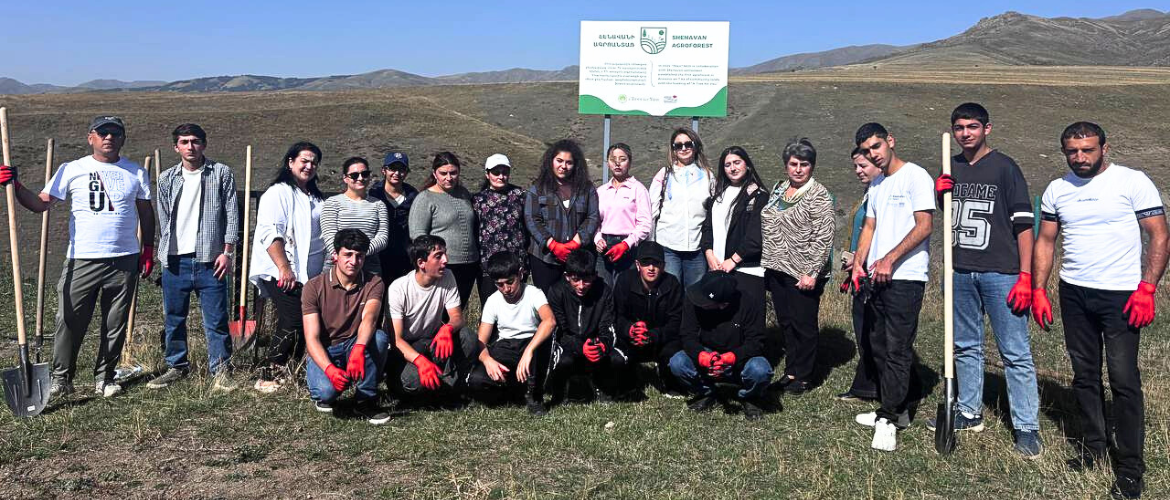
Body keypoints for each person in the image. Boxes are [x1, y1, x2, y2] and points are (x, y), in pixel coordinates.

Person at [1032, 122, 1168, 500]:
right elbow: (1045, 240)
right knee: (1085, 375)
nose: (1080, 158)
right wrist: (1039, 290)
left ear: (1105, 148)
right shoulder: (1058, 190)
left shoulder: (1131, 182)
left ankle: (1129, 468)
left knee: (1123, 380)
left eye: (1088, 150)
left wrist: (1147, 288)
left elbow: (1159, 234)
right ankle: (1093, 448)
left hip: (1121, 294)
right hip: (1075, 293)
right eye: (1072, 152)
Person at [0, 115, 154, 398]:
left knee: (115, 323)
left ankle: (105, 378)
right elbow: (40, 204)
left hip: (124, 259)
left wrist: (147, 250)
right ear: (90, 137)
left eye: (115, 133)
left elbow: (146, 213)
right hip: (82, 258)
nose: (109, 137)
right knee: (69, 320)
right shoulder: (72, 169)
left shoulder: (135, 173)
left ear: (123, 138)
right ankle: (61, 379)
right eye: (103, 132)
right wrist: (16, 186)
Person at [929, 103, 1043, 459]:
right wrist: (939, 194)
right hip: (959, 269)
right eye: (959, 127)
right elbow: (950, 217)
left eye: (972, 127)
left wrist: (1026, 277)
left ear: (987, 129)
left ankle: (1026, 427)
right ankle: (969, 410)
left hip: (1001, 272)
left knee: (1015, 352)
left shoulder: (1005, 168)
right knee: (965, 345)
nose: (965, 133)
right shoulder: (953, 167)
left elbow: (1025, 225)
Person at [848, 123, 933, 452]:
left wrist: (890, 259)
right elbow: (870, 224)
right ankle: (891, 407)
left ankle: (890, 417)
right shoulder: (878, 183)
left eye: (876, 147)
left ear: (890, 141)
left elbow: (924, 225)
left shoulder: (915, 176)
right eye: (867, 151)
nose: (873, 154)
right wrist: (859, 262)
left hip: (905, 277)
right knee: (878, 344)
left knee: (898, 347)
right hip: (875, 277)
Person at [147, 123, 239, 390]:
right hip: (176, 260)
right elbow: (164, 218)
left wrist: (227, 252)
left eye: (195, 141)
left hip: (211, 259)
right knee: (174, 317)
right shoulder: (166, 178)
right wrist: (165, 252)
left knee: (216, 320)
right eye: (184, 142)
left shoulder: (221, 173)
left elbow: (231, 215)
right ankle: (176, 366)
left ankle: (221, 371)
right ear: (176, 147)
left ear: (204, 145)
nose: (190, 146)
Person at [249, 142, 326, 393]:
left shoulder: (315, 198)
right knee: (292, 318)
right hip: (281, 270)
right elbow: (271, 232)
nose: (309, 166)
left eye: (314, 162)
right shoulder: (278, 192)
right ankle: (270, 371)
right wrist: (284, 267)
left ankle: (294, 369)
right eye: (304, 160)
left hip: (309, 273)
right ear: (290, 162)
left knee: (306, 321)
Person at [760, 139, 835, 395]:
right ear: (786, 166)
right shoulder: (779, 189)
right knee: (786, 322)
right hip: (777, 268)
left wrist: (812, 272)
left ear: (812, 167)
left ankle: (804, 374)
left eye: (805, 164)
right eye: (794, 164)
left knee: (803, 324)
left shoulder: (819, 195)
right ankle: (791, 370)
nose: (799, 169)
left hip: (803, 272)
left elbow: (824, 237)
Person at [301, 229, 392, 424]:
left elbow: (369, 318)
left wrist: (359, 349)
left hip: (354, 343)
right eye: (348, 254)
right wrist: (329, 369)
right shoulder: (313, 287)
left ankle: (365, 399)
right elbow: (311, 338)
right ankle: (329, 382)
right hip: (327, 349)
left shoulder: (374, 282)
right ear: (335, 255)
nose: (353, 261)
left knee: (379, 338)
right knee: (327, 393)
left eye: (359, 256)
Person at [670, 271, 773, 420]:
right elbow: (687, 336)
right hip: (707, 354)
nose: (699, 300)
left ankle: (748, 397)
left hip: (739, 359)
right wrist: (701, 355)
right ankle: (707, 392)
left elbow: (756, 342)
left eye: (705, 301)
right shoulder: (692, 298)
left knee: (761, 370)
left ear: (723, 305)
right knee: (677, 362)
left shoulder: (749, 303)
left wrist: (732, 357)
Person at [386, 235, 477, 399]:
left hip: (432, 341)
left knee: (468, 336)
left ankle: (448, 386)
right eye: (438, 256)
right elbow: (397, 340)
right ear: (421, 263)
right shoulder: (399, 288)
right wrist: (420, 361)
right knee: (413, 381)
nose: (445, 260)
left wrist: (447, 328)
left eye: (445, 254)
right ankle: (425, 385)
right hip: (407, 348)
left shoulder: (447, 276)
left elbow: (457, 317)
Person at [466, 251, 556, 416]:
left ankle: (534, 396)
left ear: (520, 273)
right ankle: (513, 390)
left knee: (539, 343)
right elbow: (481, 341)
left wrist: (528, 351)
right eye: (500, 284)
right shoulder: (493, 300)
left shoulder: (534, 293)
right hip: (506, 346)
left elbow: (549, 321)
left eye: (510, 282)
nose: (506, 289)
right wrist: (487, 361)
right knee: (476, 381)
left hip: (531, 344)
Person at [545, 249, 626, 402]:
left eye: (586, 280)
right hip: (569, 347)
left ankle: (602, 384)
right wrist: (579, 346)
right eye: (576, 280)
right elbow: (559, 331)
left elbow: (608, 326)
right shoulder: (556, 292)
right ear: (567, 276)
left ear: (595, 275)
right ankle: (560, 387)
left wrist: (602, 345)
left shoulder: (604, 291)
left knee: (617, 359)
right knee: (562, 360)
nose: (581, 286)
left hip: (594, 345)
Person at [836, 149, 882, 403]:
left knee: (874, 331)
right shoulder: (868, 194)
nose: (858, 171)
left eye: (863, 165)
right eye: (855, 166)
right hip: (859, 273)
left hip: (873, 273)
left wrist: (861, 258)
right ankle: (866, 385)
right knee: (863, 329)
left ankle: (879, 386)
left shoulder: (882, 193)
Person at [523, 139, 600, 291]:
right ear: (551, 161)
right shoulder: (538, 189)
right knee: (546, 300)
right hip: (544, 258)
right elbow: (532, 220)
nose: (563, 166)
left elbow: (592, 217)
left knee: (573, 300)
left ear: (575, 165)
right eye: (559, 161)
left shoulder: (586, 189)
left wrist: (575, 243)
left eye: (569, 162)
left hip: (577, 258)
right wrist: (553, 244)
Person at [612, 241, 684, 397]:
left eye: (656, 263)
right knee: (616, 353)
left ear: (663, 266)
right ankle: (628, 382)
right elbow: (616, 316)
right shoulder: (624, 280)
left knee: (675, 349)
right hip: (632, 338)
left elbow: (675, 322)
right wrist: (630, 329)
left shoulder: (672, 284)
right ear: (638, 265)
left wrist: (654, 335)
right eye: (646, 263)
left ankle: (669, 379)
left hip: (659, 339)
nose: (651, 268)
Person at [702, 146, 767, 315]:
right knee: (722, 320)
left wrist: (733, 260)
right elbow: (707, 227)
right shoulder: (718, 195)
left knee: (747, 319)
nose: (733, 168)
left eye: (737, 162)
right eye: (727, 164)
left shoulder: (759, 196)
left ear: (747, 165)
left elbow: (756, 236)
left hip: (746, 270)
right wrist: (709, 253)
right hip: (718, 268)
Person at [409, 152, 479, 309]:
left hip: (469, 264)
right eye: (443, 173)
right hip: (443, 267)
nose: (449, 177)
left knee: (459, 311)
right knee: (440, 312)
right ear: (435, 173)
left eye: (453, 173)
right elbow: (417, 236)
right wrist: (433, 261)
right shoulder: (425, 198)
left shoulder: (464, 193)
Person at [649, 128, 714, 288]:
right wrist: (651, 243)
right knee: (670, 293)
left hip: (697, 247)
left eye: (687, 144)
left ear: (695, 146)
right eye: (678, 145)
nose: (683, 148)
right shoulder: (664, 175)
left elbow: (714, 210)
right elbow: (652, 209)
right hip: (668, 246)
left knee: (695, 294)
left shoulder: (707, 175)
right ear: (673, 149)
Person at [472, 153, 529, 305]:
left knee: (518, 307)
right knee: (490, 307)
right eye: (496, 172)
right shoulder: (478, 200)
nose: (501, 176)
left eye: (505, 172)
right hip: (488, 265)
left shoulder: (520, 195)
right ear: (487, 174)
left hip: (516, 262)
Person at [319, 157, 389, 274]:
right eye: (355, 175)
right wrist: (344, 255)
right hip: (336, 262)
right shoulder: (332, 203)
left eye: (364, 174)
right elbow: (329, 234)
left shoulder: (379, 204)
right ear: (345, 178)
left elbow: (382, 237)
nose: (360, 178)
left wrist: (361, 253)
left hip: (369, 266)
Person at [594, 143, 651, 286]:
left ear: (630, 162)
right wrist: (598, 239)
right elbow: (595, 221)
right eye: (613, 159)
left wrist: (627, 243)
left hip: (628, 248)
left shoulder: (638, 189)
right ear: (607, 163)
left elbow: (644, 225)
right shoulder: (600, 191)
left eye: (622, 159)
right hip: (604, 248)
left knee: (624, 291)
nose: (617, 163)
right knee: (603, 291)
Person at [369, 151, 418, 282]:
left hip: (405, 258)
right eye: (392, 168)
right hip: (378, 256)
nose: (397, 173)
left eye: (401, 169)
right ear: (384, 170)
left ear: (407, 172)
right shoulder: (373, 193)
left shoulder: (413, 195)